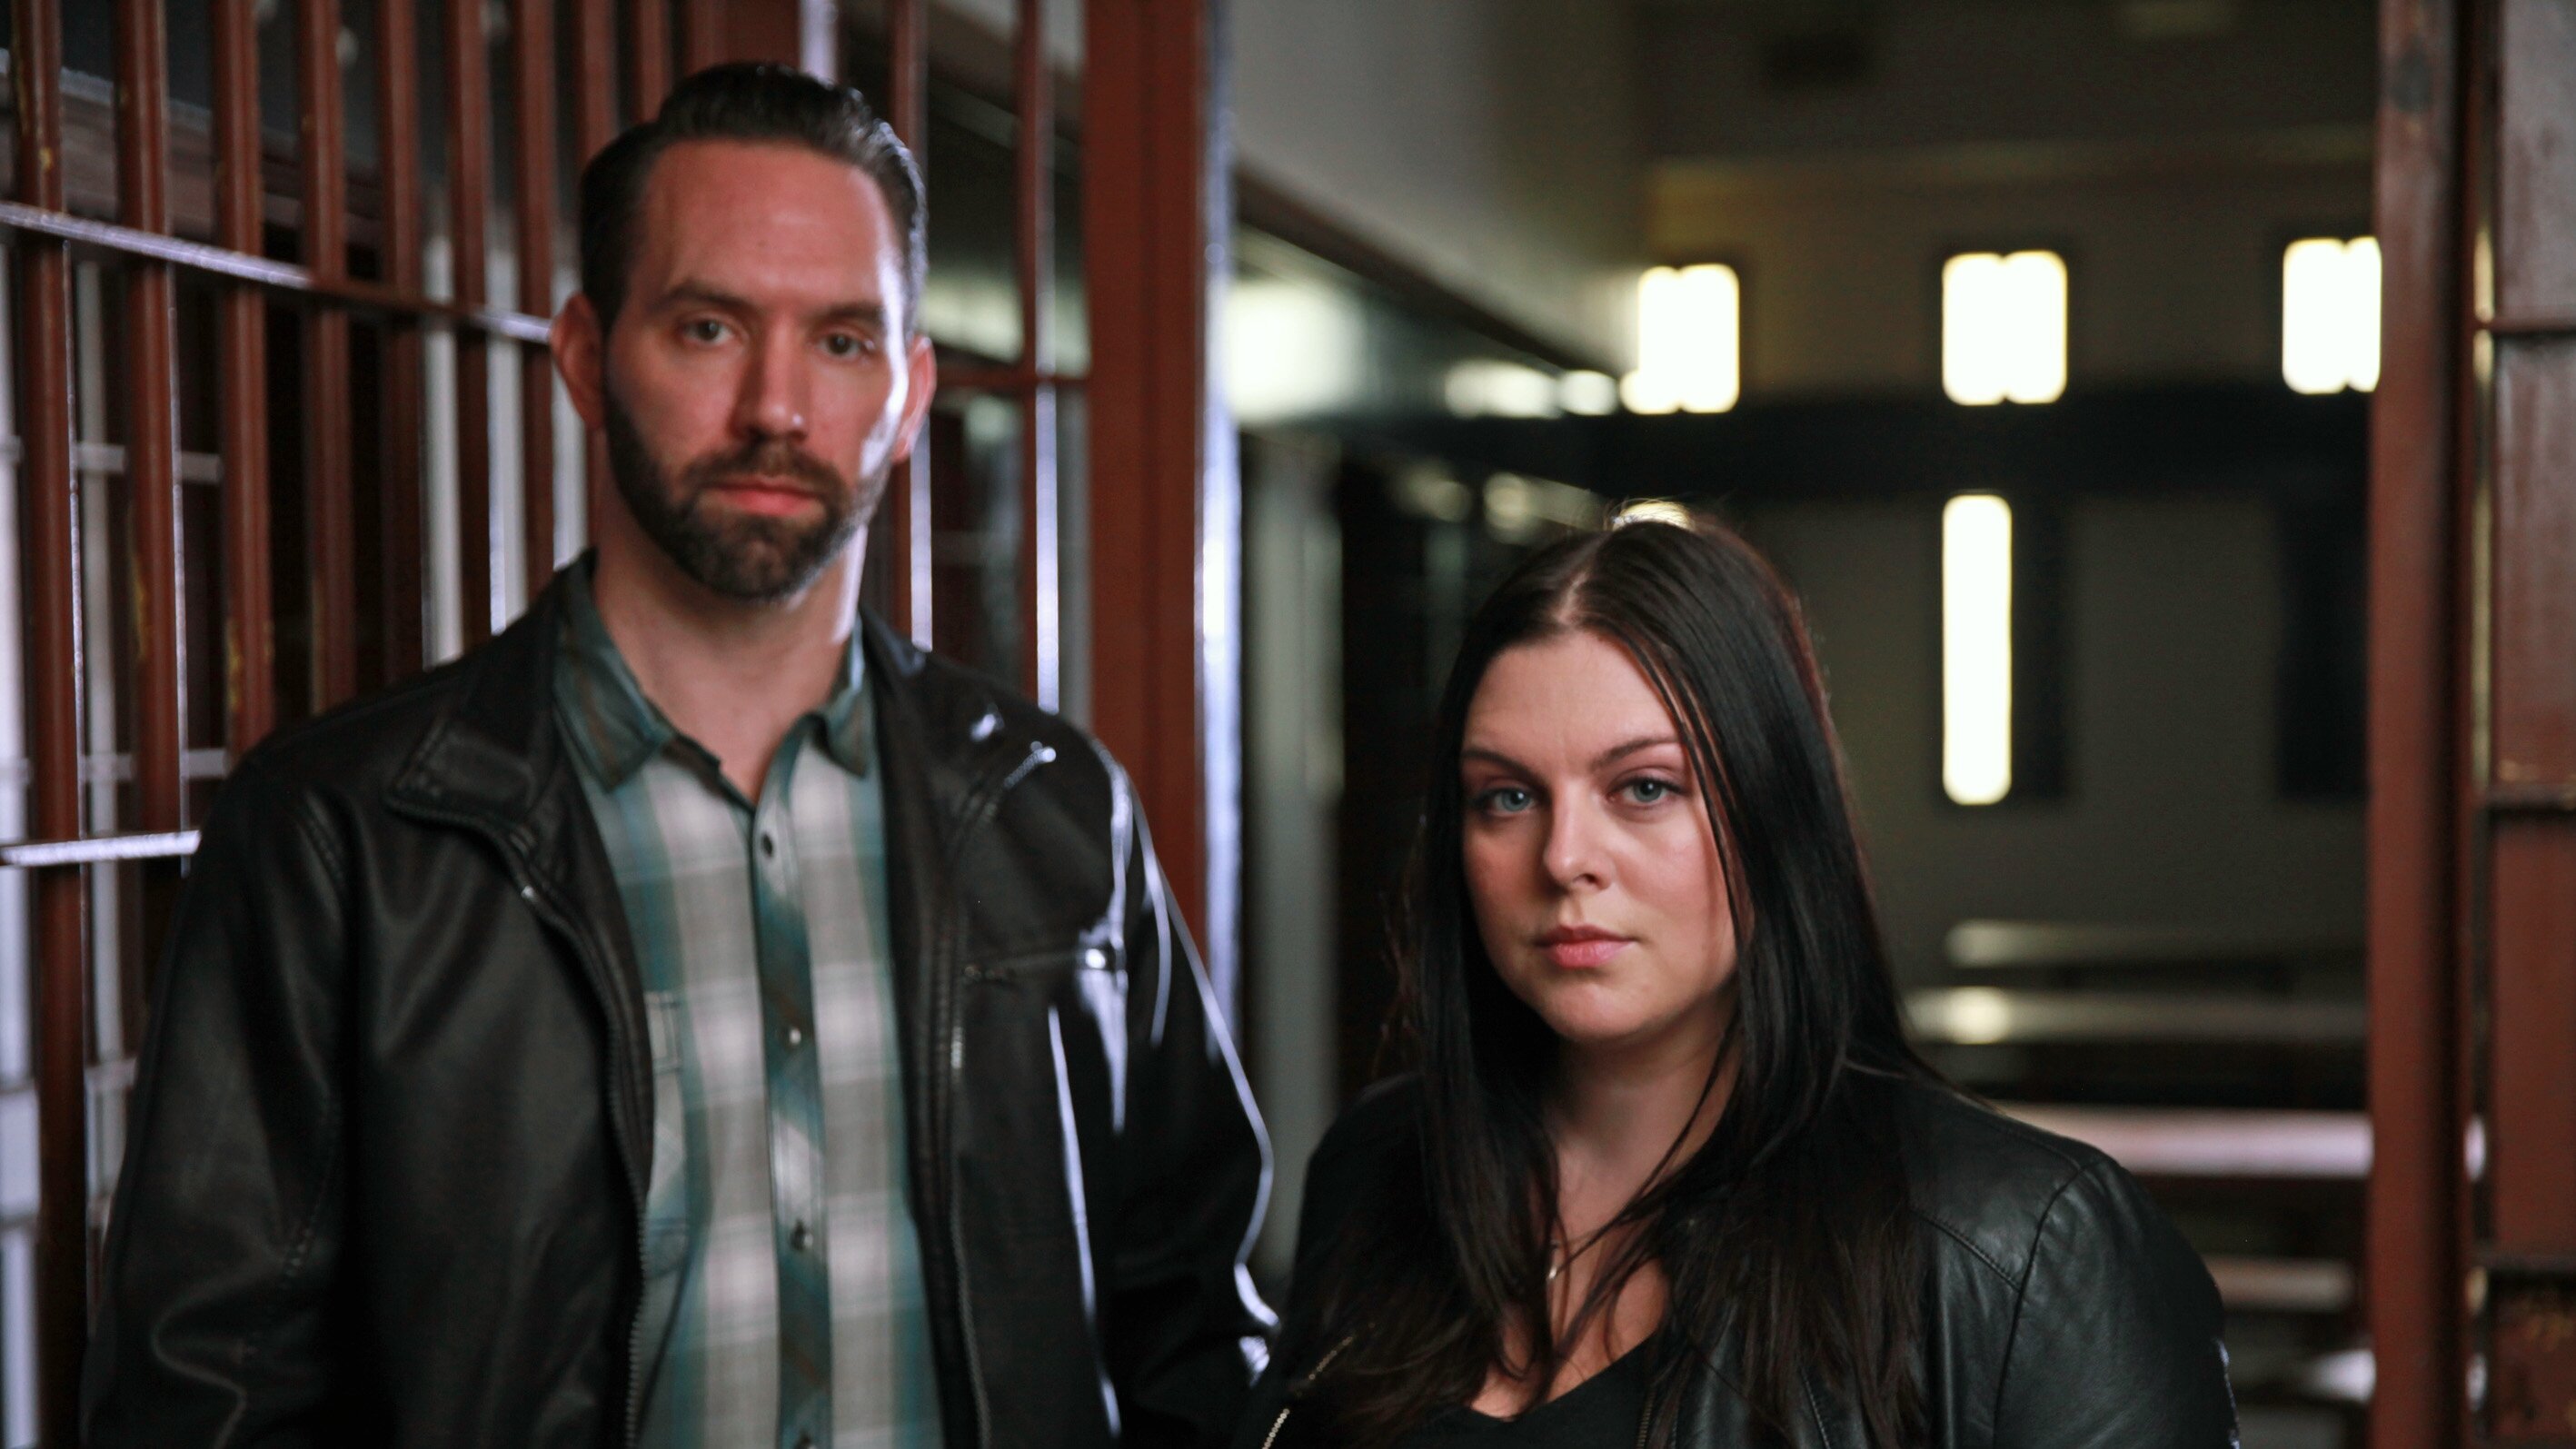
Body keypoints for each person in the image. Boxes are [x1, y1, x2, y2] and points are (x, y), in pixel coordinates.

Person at [85, 63, 1269, 1448]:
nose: (776, 406)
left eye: (842, 341)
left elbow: (1195, 1330)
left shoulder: (1056, 811)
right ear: (588, 356)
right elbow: (207, 1389)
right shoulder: (343, 830)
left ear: (908, 392)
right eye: (709, 327)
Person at [1242, 516, 2237, 1448]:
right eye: (1506, 796)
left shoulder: (2026, 1249)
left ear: (1774, 811)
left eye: (1645, 787)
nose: (1565, 856)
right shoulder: (1380, 1169)